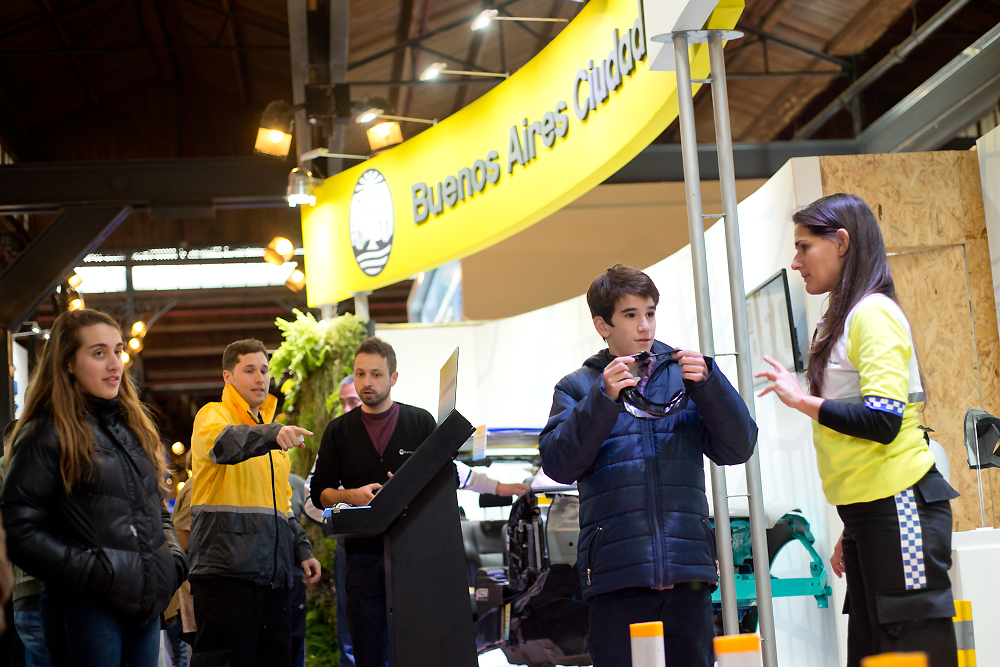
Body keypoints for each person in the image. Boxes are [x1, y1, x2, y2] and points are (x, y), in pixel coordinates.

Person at [757, 193, 959, 667]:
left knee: (912, 650)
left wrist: (803, 400)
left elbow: (884, 422)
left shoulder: (872, 314)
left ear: (841, 242)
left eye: (805, 247)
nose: (796, 261)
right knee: (873, 652)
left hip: (901, 506)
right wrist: (853, 527)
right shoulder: (838, 320)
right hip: (871, 514)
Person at [538, 265, 757, 667]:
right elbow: (558, 465)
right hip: (617, 581)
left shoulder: (689, 375)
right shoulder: (577, 387)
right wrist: (603, 399)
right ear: (602, 325)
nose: (645, 326)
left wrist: (711, 385)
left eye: (650, 312)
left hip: (688, 575)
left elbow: (738, 447)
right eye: (631, 315)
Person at [0, 308, 187, 667]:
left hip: (144, 606)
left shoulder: (133, 431)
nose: (115, 364)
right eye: (99, 353)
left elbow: (156, 512)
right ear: (68, 362)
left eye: (118, 351)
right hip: (86, 609)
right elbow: (17, 528)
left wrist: (171, 564)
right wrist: (94, 574)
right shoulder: (46, 432)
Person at [187, 339, 322, 667]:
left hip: (273, 579)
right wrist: (271, 433)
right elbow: (223, 446)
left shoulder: (270, 439)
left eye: (264, 370)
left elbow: (283, 507)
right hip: (226, 578)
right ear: (227, 377)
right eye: (250, 370)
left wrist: (301, 550)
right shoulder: (212, 416)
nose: (261, 378)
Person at [309, 338, 437, 667]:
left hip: (413, 556)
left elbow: (441, 480)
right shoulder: (338, 431)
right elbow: (318, 490)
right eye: (360, 374)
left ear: (394, 378)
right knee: (366, 651)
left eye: (377, 374)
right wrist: (351, 496)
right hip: (361, 559)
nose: (366, 382)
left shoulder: (420, 423)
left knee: (415, 649)